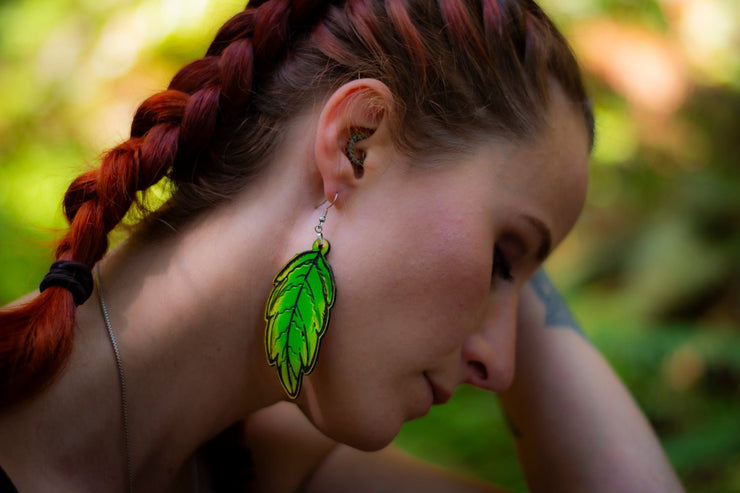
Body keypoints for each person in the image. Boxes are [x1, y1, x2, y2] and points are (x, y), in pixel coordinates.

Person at [0, 0, 682, 491]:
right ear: (356, 143)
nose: (499, 367)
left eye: (525, 281)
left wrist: (516, 243)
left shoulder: (268, 465)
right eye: (503, 258)